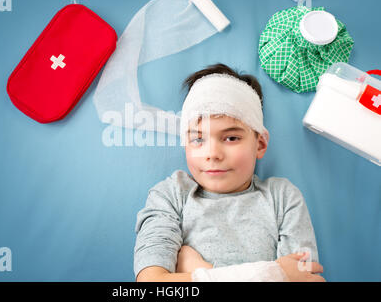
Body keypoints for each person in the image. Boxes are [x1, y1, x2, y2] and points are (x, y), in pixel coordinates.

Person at [133, 63, 325, 282]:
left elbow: (304, 279)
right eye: (198, 139)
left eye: (231, 138)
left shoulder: (282, 197)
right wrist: (273, 273)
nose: (212, 154)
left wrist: (198, 270)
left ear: (260, 144)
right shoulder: (171, 195)